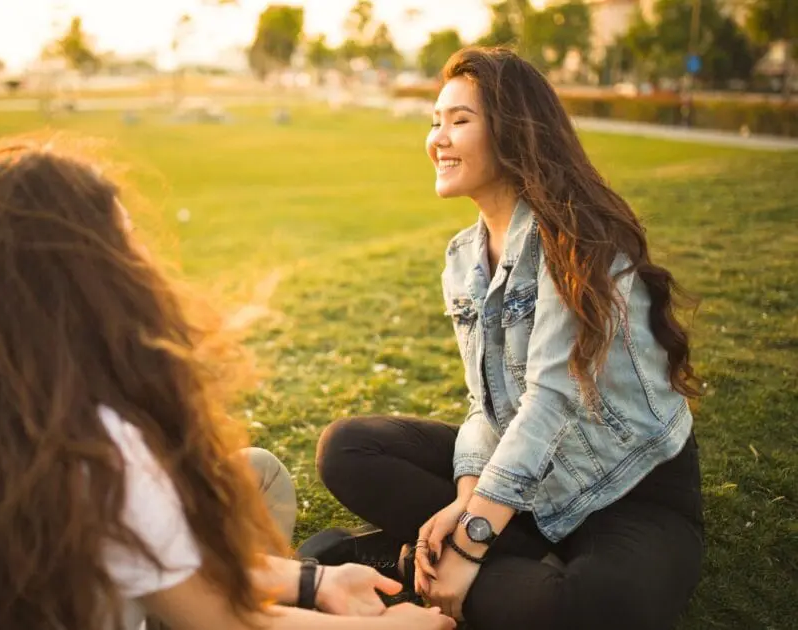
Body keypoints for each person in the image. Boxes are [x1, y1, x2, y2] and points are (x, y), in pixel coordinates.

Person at [0, 141, 457, 630]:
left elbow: (141, 550)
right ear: (84, 276)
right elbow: (230, 622)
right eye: (122, 243)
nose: (140, 260)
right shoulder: (99, 447)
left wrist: (316, 582)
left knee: (255, 472)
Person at [300, 46, 705, 630]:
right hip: (528, 486)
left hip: (629, 488)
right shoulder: (464, 257)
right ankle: (492, 564)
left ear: (515, 131)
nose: (438, 138)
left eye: (459, 121)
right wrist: (467, 503)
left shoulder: (577, 242)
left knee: (603, 606)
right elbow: (486, 406)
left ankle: (409, 561)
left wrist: (467, 542)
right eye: (434, 120)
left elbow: (550, 402)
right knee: (347, 447)